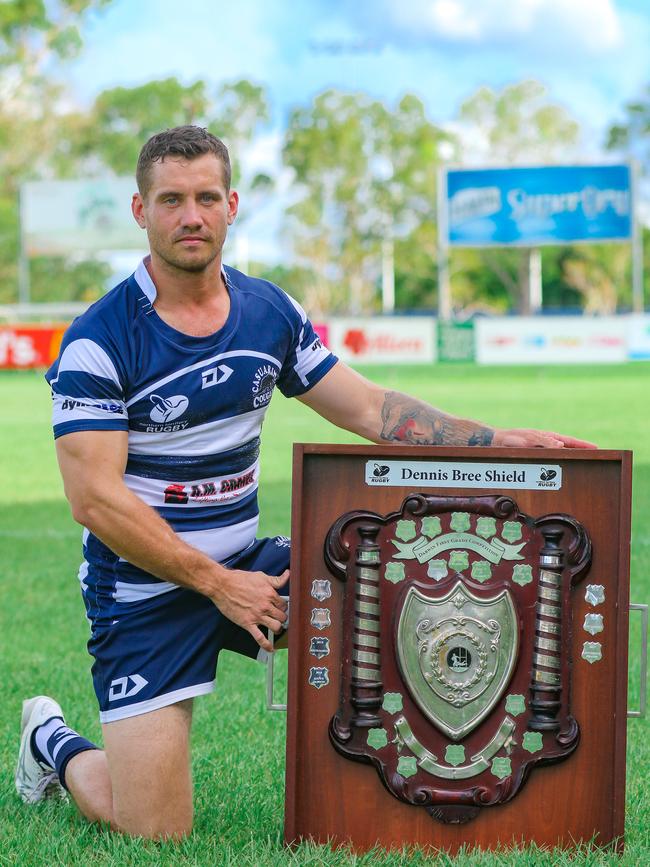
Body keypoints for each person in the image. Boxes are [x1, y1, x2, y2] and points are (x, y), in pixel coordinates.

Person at [15, 125, 596, 840]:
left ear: (231, 205)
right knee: (153, 830)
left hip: (247, 565)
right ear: (141, 211)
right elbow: (94, 500)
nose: (190, 215)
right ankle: (52, 740)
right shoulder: (99, 340)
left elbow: (370, 407)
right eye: (171, 199)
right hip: (145, 589)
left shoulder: (269, 313)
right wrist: (217, 585)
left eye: (204, 197)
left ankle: (411, 787)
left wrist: (497, 439)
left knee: (387, 582)